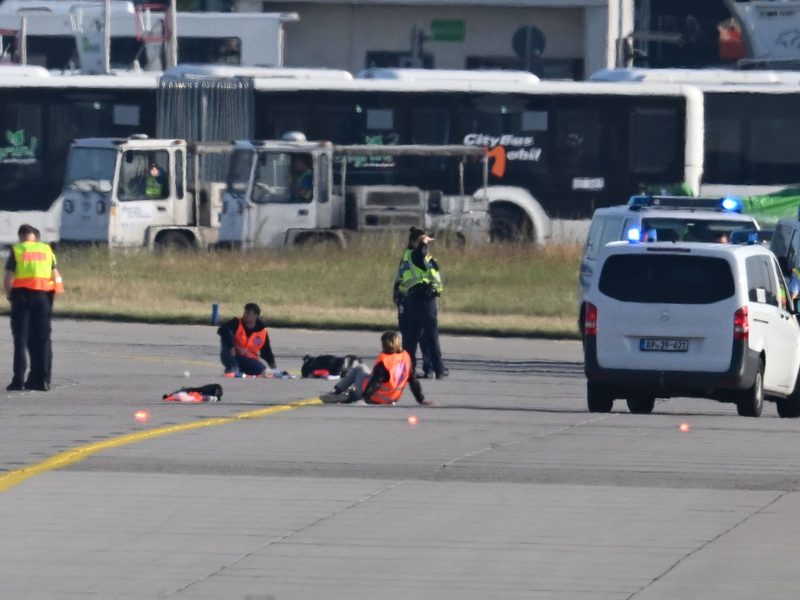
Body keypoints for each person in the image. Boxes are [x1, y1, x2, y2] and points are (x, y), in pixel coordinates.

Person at [4, 223, 63, 391]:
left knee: (21, 340)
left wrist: (10, 296)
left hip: (22, 298)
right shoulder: (47, 250)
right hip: (43, 298)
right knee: (43, 340)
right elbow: (55, 276)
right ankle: (42, 380)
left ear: (21, 236)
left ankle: (18, 380)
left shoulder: (18, 250)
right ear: (35, 236)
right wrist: (51, 297)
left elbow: (8, 278)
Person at [320, 331, 431, 405]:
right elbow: (413, 380)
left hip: (377, 397)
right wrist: (421, 400)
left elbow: (375, 382)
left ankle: (337, 392)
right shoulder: (405, 357)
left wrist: (365, 399)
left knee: (360, 368)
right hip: (393, 398)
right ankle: (351, 395)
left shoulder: (385, 361)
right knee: (364, 378)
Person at [397, 227, 448, 379]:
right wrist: (424, 243)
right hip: (423, 298)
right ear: (414, 242)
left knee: (412, 337)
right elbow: (420, 255)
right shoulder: (415, 254)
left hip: (413, 298)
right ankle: (438, 369)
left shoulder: (410, 255)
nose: (425, 245)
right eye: (421, 241)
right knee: (430, 335)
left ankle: (409, 370)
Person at [217, 303, 281, 377]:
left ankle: (241, 370)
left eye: (248, 313)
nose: (245, 315)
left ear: (256, 316)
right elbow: (222, 330)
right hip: (232, 355)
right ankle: (233, 367)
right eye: (245, 312)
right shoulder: (236, 323)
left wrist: (273, 366)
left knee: (263, 371)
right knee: (227, 334)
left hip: (248, 359)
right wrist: (233, 347)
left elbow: (266, 351)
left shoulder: (262, 332)